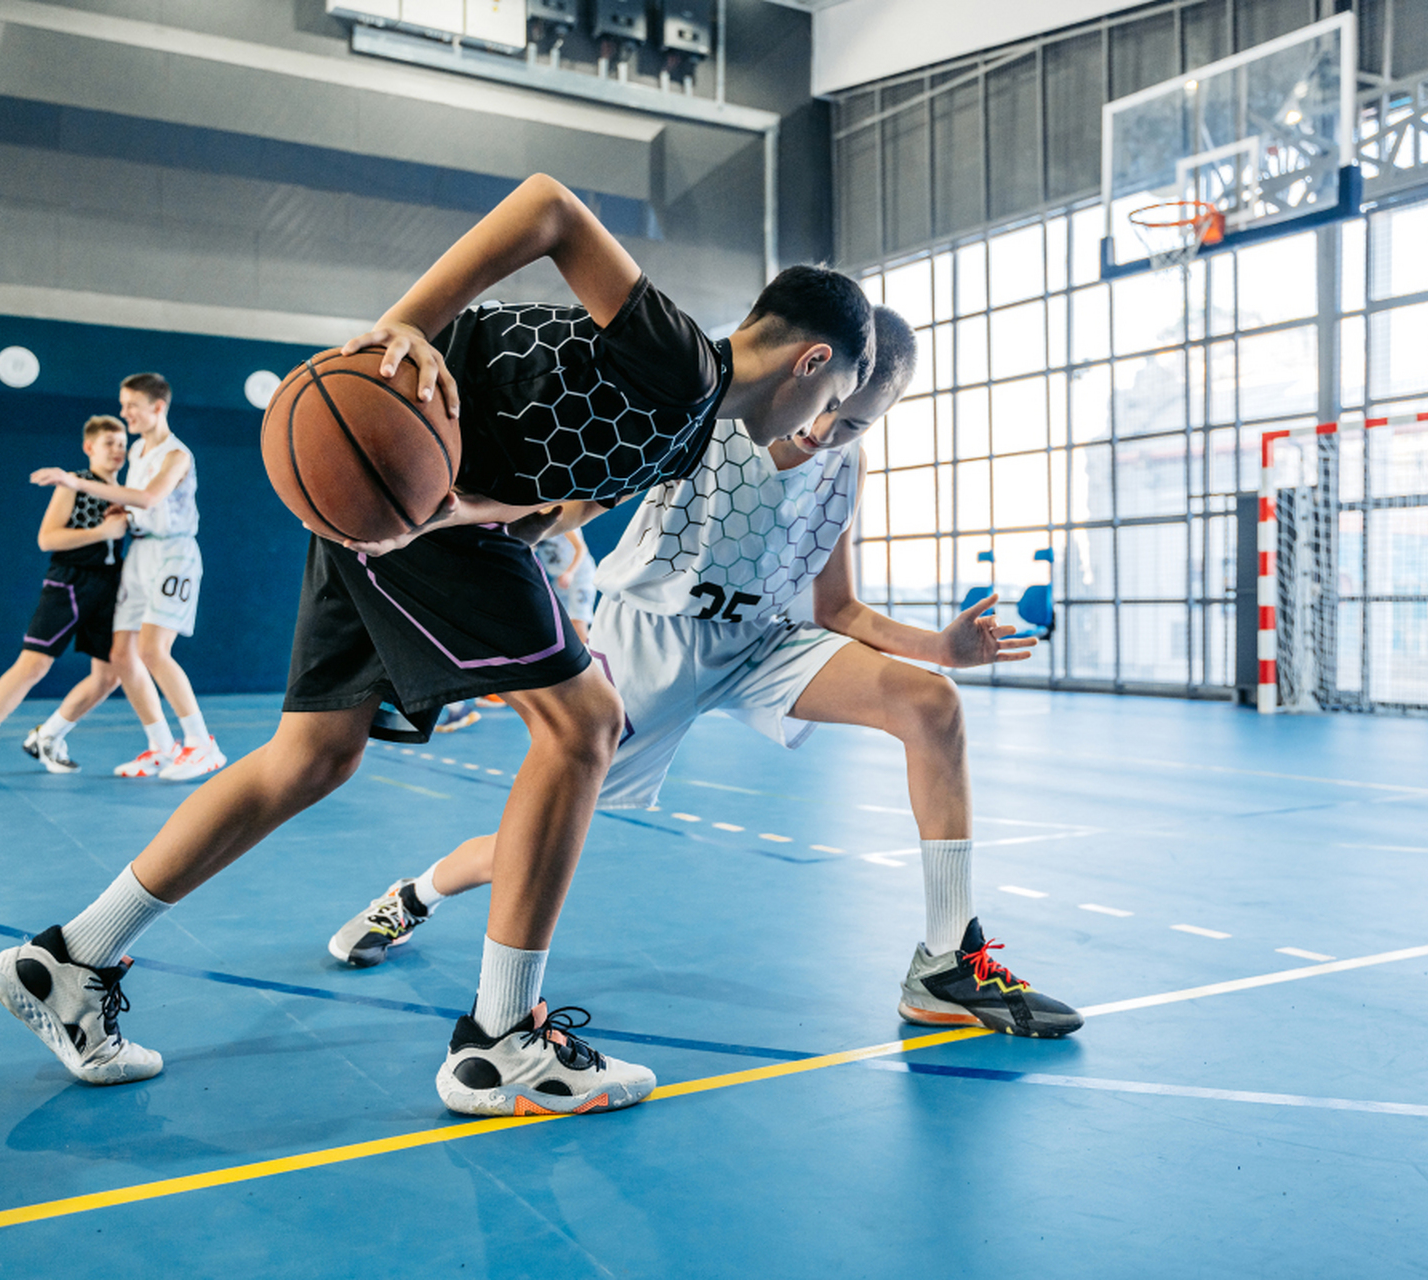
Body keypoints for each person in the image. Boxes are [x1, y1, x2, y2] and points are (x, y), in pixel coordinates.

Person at [0, 172, 874, 1116]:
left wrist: (466, 516)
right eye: (839, 398)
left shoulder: (688, 432)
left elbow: (549, 501)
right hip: (391, 477)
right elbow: (550, 207)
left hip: (410, 514)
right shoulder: (684, 363)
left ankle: (71, 961)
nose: (823, 428)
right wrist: (402, 322)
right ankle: (504, 1043)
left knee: (310, 757)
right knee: (584, 727)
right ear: (813, 360)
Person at [326, 308, 1082, 1040]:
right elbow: (571, 505)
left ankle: (947, 963)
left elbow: (839, 607)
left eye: (851, 424)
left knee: (931, 704)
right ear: (814, 370)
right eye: (831, 413)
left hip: (761, 641)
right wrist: (462, 516)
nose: (824, 431)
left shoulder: (843, 464)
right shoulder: (719, 418)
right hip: (652, 642)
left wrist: (940, 651)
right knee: (547, 837)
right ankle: (413, 897)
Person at [31, 373, 223, 782]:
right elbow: (139, 506)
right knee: (121, 655)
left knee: (155, 649)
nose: (124, 413)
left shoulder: (177, 456)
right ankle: (160, 748)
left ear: (157, 407)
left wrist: (75, 481)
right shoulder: (136, 451)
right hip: (140, 553)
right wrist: (125, 515)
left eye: (131, 405)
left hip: (174, 555)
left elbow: (151, 497)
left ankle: (202, 744)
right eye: (123, 405)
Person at [0, 416, 143, 789]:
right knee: (33, 665)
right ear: (90, 447)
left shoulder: (126, 492)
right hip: (70, 582)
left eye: (122, 442)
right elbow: (47, 539)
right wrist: (101, 531)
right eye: (110, 442)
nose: (118, 449)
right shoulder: (74, 484)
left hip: (111, 588)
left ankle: (47, 736)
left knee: (110, 675)